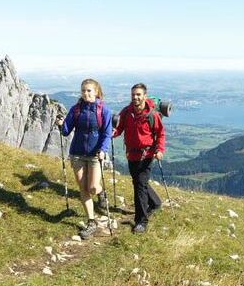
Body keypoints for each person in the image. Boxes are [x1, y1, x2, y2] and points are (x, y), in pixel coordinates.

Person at [57, 78, 112, 239]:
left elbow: (107, 134)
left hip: (96, 155)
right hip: (77, 154)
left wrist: (102, 150)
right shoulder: (76, 110)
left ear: (96, 92)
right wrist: (61, 124)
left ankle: (101, 193)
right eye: (83, 90)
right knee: (83, 189)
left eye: (89, 90)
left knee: (93, 187)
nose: (86, 93)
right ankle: (91, 221)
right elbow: (66, 131)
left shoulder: (104, 111)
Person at [113, 83, 165, 233]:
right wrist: (113, 133)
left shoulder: (152, 115)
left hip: (146, 155)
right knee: (139, 182)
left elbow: (160, 133)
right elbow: (120, 128)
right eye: (133, 95)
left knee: (139, 186)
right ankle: (155, 203)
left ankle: (141, 221)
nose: (135, 97)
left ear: (145, 96)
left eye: (138, 95)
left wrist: (160, 150)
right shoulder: (126, 112)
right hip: (131, 154)